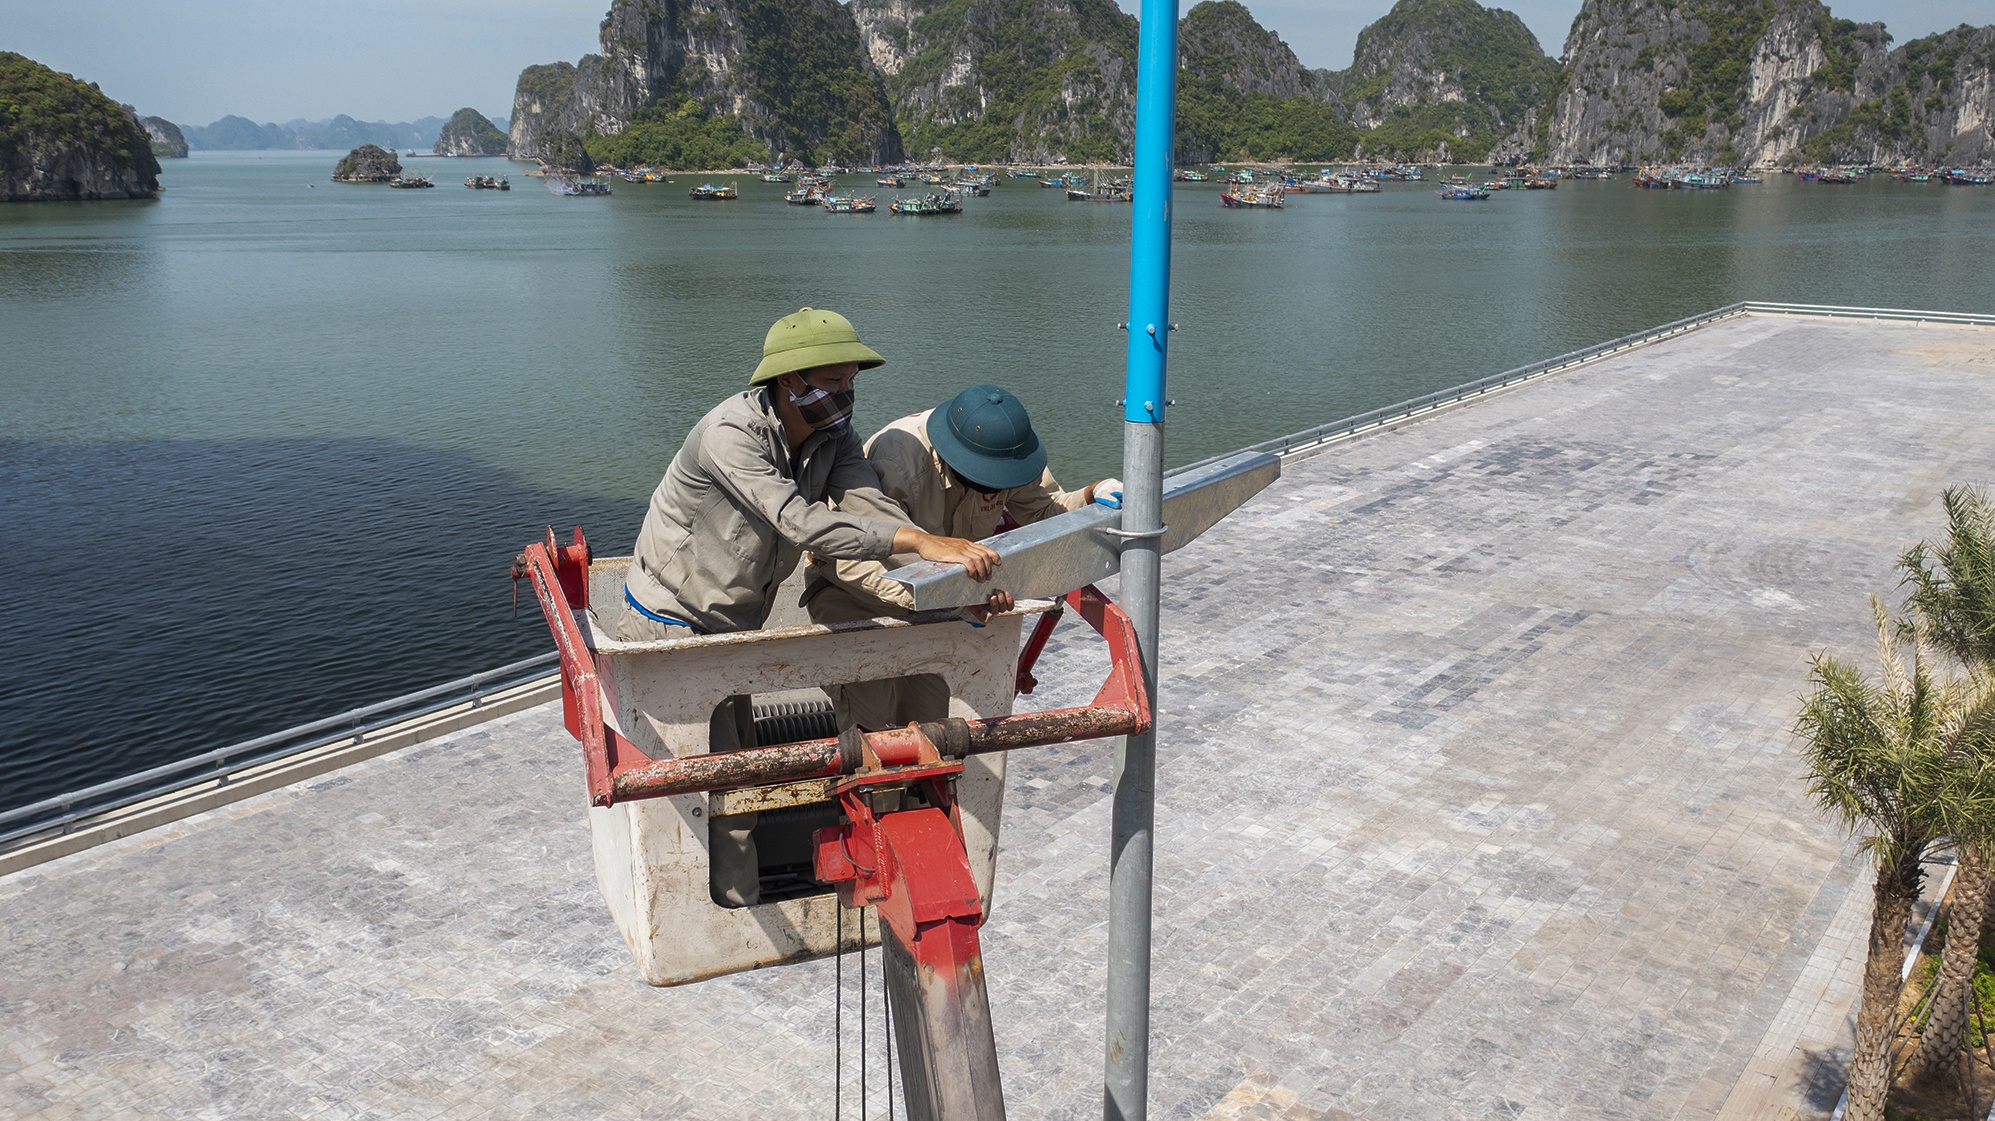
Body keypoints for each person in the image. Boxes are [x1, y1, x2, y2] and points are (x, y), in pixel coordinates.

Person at [617, 308, 1000, 906]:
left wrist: (948, 580)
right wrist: (921, 541)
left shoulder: (834, 435)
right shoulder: (731, 435)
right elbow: (799, 520)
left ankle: (743, 890)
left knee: (738, 762)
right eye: (830, 383)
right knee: (710, 774)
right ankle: (727, 906)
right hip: (669, 619)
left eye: (850, 384)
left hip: (735, 620)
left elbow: (869, 507)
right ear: (786, 382)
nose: (844, 398)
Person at [805, 384, 1114, 731]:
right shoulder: (895, 461)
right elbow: (854, 559)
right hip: (855, 599)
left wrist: (1091, 496)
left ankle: (920, 786)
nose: (997, 491)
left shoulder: (1008, 453)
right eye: (987, 483)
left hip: (937, 607)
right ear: (954, 460)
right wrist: (956, 599)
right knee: (873, 731)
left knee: (932, 724)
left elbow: (1043, 511)